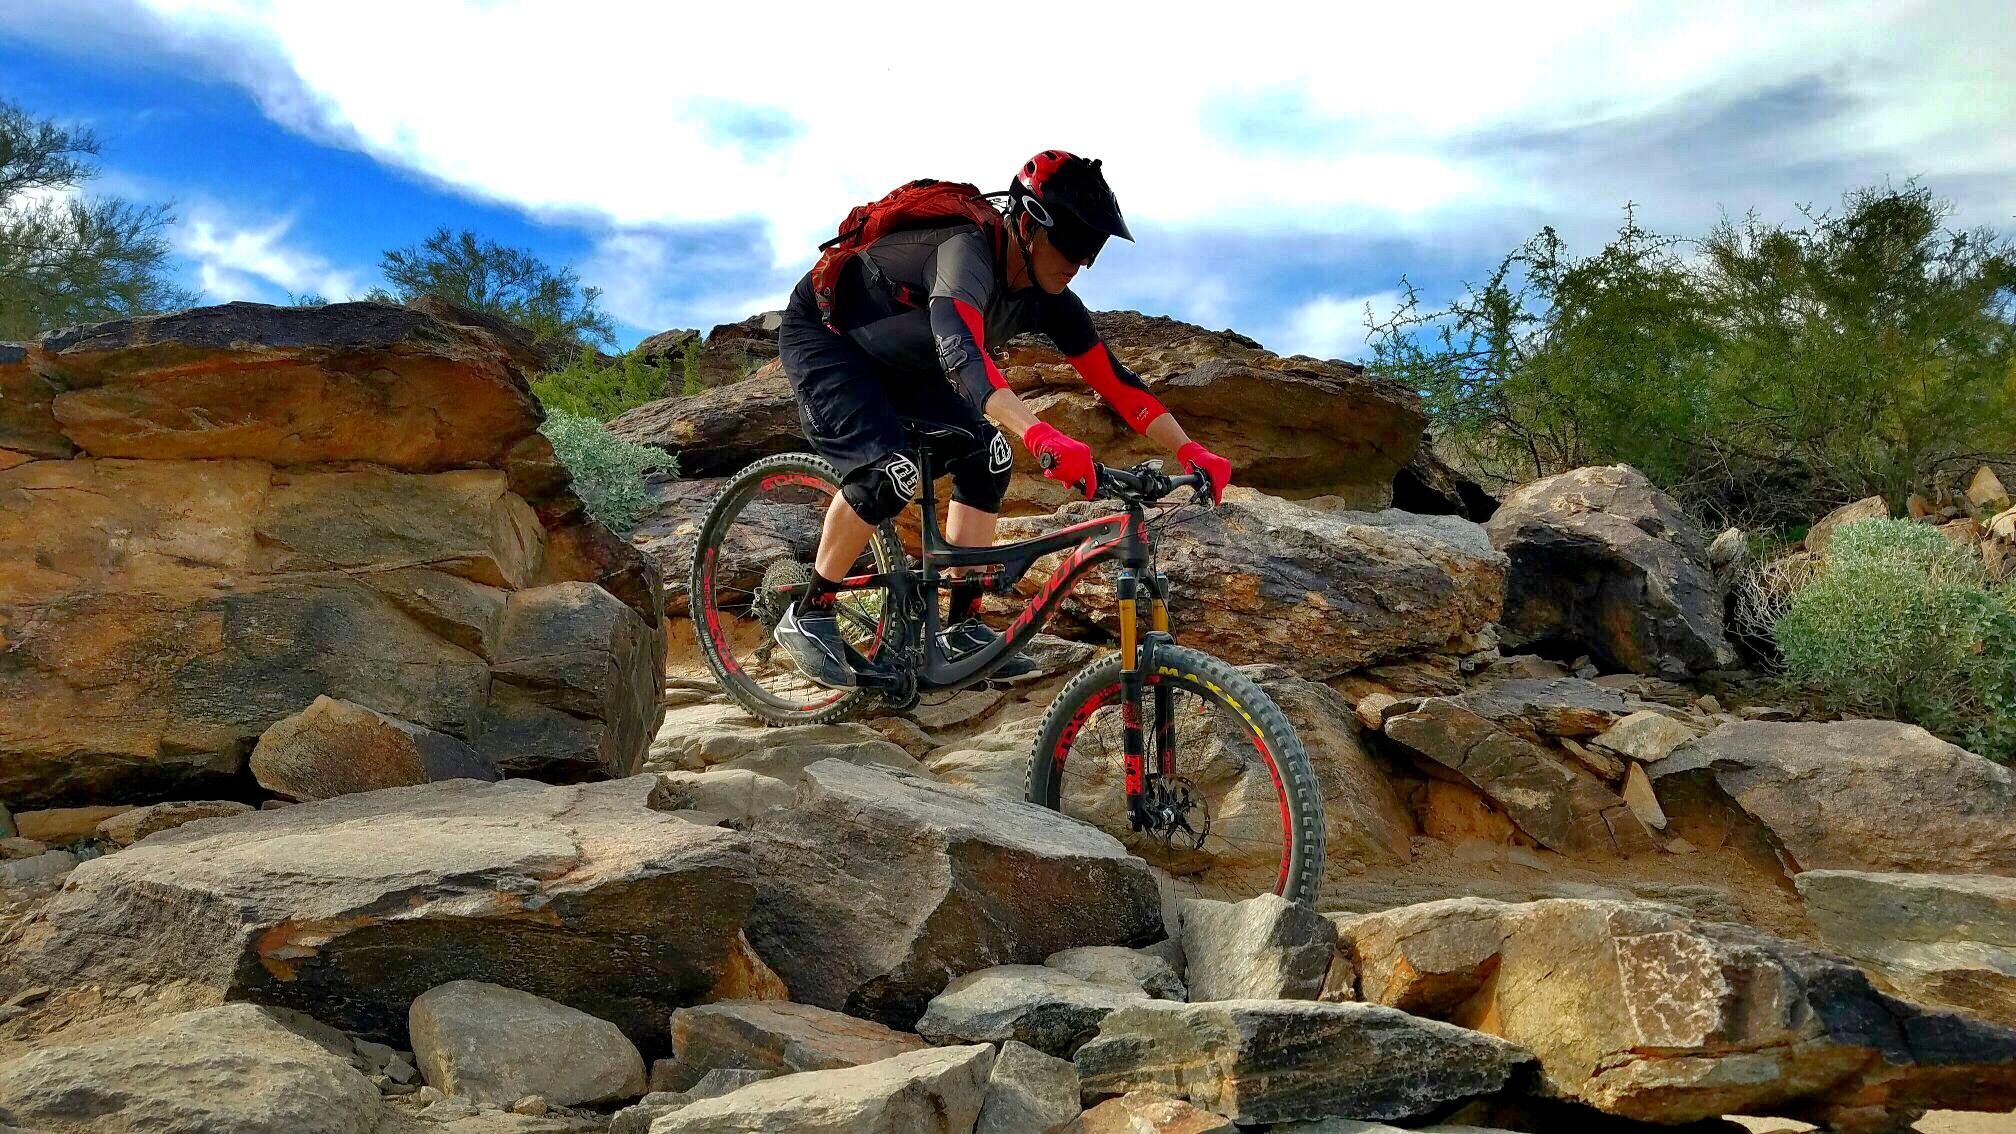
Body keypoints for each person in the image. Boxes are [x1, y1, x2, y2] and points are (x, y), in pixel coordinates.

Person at [772, 150, 1234, 688]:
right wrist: (1040, 433)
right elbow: (963, 357)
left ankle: (962, 625)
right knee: (891, 472)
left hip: (908, 361)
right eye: (1074, 243)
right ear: (1029, 224)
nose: (1083, 261)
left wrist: (1190, 449)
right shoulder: (965, 254)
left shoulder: (1048, 297)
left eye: (1095, 250)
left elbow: (1117, 382)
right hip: (830, 342)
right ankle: (809, 611)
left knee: (988, 456)